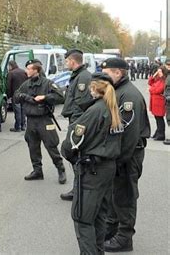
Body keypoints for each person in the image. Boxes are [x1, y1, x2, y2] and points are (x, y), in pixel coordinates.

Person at [61, 72, 123, 255]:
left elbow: (71, 142)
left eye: (90, 87)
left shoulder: (95, 110)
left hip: (92, 171)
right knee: (98, 216)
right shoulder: (111, 107)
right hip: (107, 169)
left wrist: (72, 157)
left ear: (95, 88)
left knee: (82, 218)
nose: (88, 90)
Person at [101, 58, 150, 252]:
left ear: (118, 73)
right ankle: (112, 228)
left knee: (125, 196)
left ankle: (124, 237)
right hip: (120, 155)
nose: (104, 77)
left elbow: (129, 135)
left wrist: (119, 160)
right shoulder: (118, 91)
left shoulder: (129, 96)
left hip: (128, 156)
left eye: (107, 73)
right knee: (116, 193)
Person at [14, 59, 66, 183]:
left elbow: (61, 97)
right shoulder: (26, 84)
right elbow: (16, 96)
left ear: (36, 70)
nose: (26, 71)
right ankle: (37, 171)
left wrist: (45, 97)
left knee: (51, 146)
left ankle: (61, 169)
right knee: (33, 146)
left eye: (29, 68)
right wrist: (26, 97)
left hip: (44, 120)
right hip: (31, 121)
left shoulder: (47, 83)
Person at [60, 49, 93, 201]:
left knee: (74, 153)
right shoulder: (78, 75)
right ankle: (78, 188)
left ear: (73, 61)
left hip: (77, 122)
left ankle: (80, 190)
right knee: (75, 154)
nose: (66, 63)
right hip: (74, 120)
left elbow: (82, 103)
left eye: (67, 61)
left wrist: (76, 124)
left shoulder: (83, 77)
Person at [6, 60, 27, 132]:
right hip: (24, 94)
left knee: (17, 111)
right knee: (23, 110)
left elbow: (8, 86)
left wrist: (9, 96)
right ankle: (23, 125)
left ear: (11, 66)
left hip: (15, 95)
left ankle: (18, 127)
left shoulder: (11, 73)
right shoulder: (23, 71)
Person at [148, 66, 167, 140]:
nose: (158, 73)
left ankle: (161, 134)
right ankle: (158, 132)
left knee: (159, 119)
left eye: (160, 72)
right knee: (157, 118)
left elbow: (158, 90)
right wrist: (154, 75)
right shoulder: (158, 79)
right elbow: (150, 82)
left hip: (159, 102)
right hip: (155, 101)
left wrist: (150, 89)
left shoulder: (164, 80)